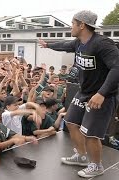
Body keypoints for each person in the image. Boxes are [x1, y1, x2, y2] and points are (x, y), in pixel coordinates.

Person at [38, 10, 119, 178]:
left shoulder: (103, 44)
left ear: (82, 25)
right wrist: (48, 45)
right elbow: (64, 45)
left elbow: (117, 67)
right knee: (71, 121)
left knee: (91, 134)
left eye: (73, 23)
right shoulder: (78, 43)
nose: (71, 27)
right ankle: (82, 157)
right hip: (84, 92)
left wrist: (102, 93)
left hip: (102, 96)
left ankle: (96, 166)